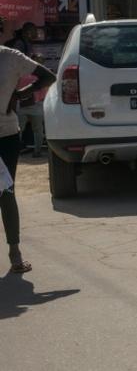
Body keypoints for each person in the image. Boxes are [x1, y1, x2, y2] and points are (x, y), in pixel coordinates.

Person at [0, 45, 56, 273]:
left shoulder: (10, 57)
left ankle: (15, 251)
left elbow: (47, 76)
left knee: (5, 191)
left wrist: (23, 93)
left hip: (5, 135)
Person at [17, 55, 49, 158]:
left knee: (18, 130)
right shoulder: (43, 75)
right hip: (37, 104)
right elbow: (45, 92)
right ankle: (37, 151)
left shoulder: (21, 73)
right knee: (38, 130)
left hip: (21, 104)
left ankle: (16, 151)